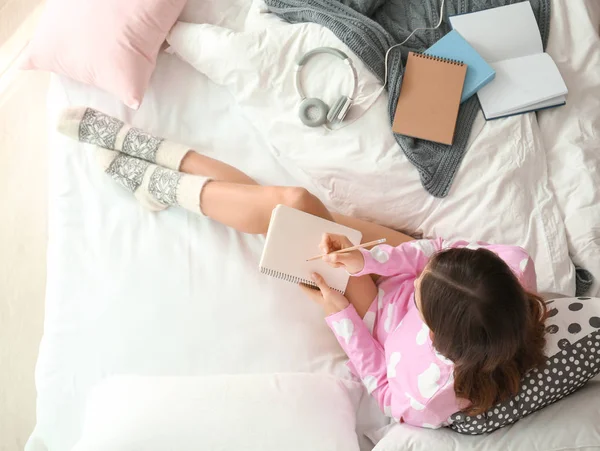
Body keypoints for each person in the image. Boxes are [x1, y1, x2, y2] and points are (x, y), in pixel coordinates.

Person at [57, 107, 548, 429]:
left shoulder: (426, 397)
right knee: (291, 207)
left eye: (422, 294)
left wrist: (342, 313)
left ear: (439, 339)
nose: (421, 277)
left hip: (376, 313)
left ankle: (162, 176)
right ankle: (164, 179)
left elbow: (379, 384)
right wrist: (372, 257)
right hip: (388, 265)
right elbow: (429, 253)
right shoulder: (511, 266)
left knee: (290, 207)